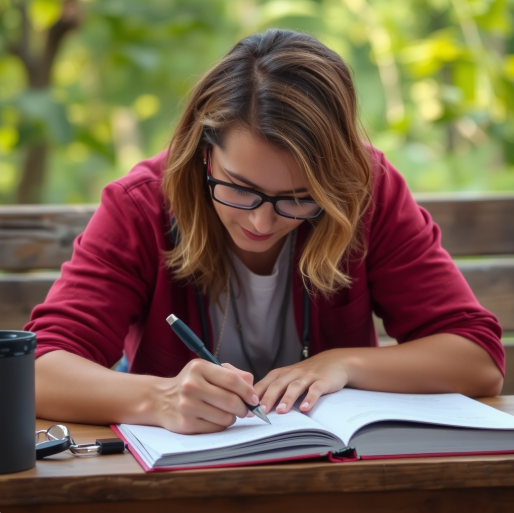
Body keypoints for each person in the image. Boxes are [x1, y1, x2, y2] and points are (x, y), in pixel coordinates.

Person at [30, 29, 504, 435]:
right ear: (204, 153)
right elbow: (37, 371)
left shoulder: (366, 192)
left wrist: (342, 363)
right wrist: (161, 398)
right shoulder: (141, 205)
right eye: (239, 189)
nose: (261, 222)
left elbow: (476, 357)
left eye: (298, 197)